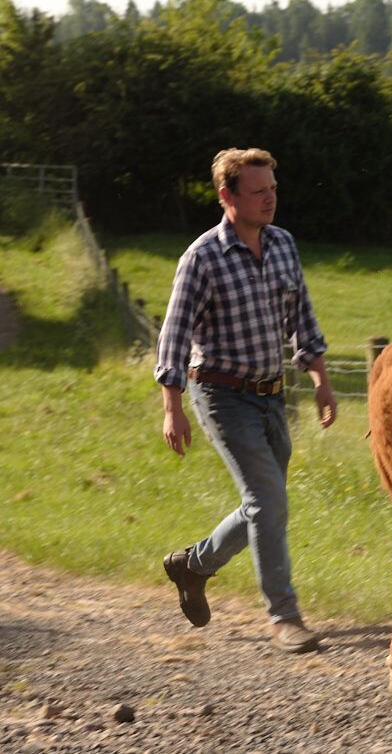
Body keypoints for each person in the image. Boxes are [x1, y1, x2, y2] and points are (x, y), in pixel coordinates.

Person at [154, 147, 337, 654]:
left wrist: (320, 376)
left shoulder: (282, 245)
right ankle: (285, 618)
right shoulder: (202, 258)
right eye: (258, 192)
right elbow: (172, 337)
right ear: (227, 196)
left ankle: (192, 566)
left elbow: (303, 315)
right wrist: (171, 407)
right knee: (268, 501)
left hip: (271, 394)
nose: (269, 199)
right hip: (219, 394)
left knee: (264, 504)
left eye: (273, 189)